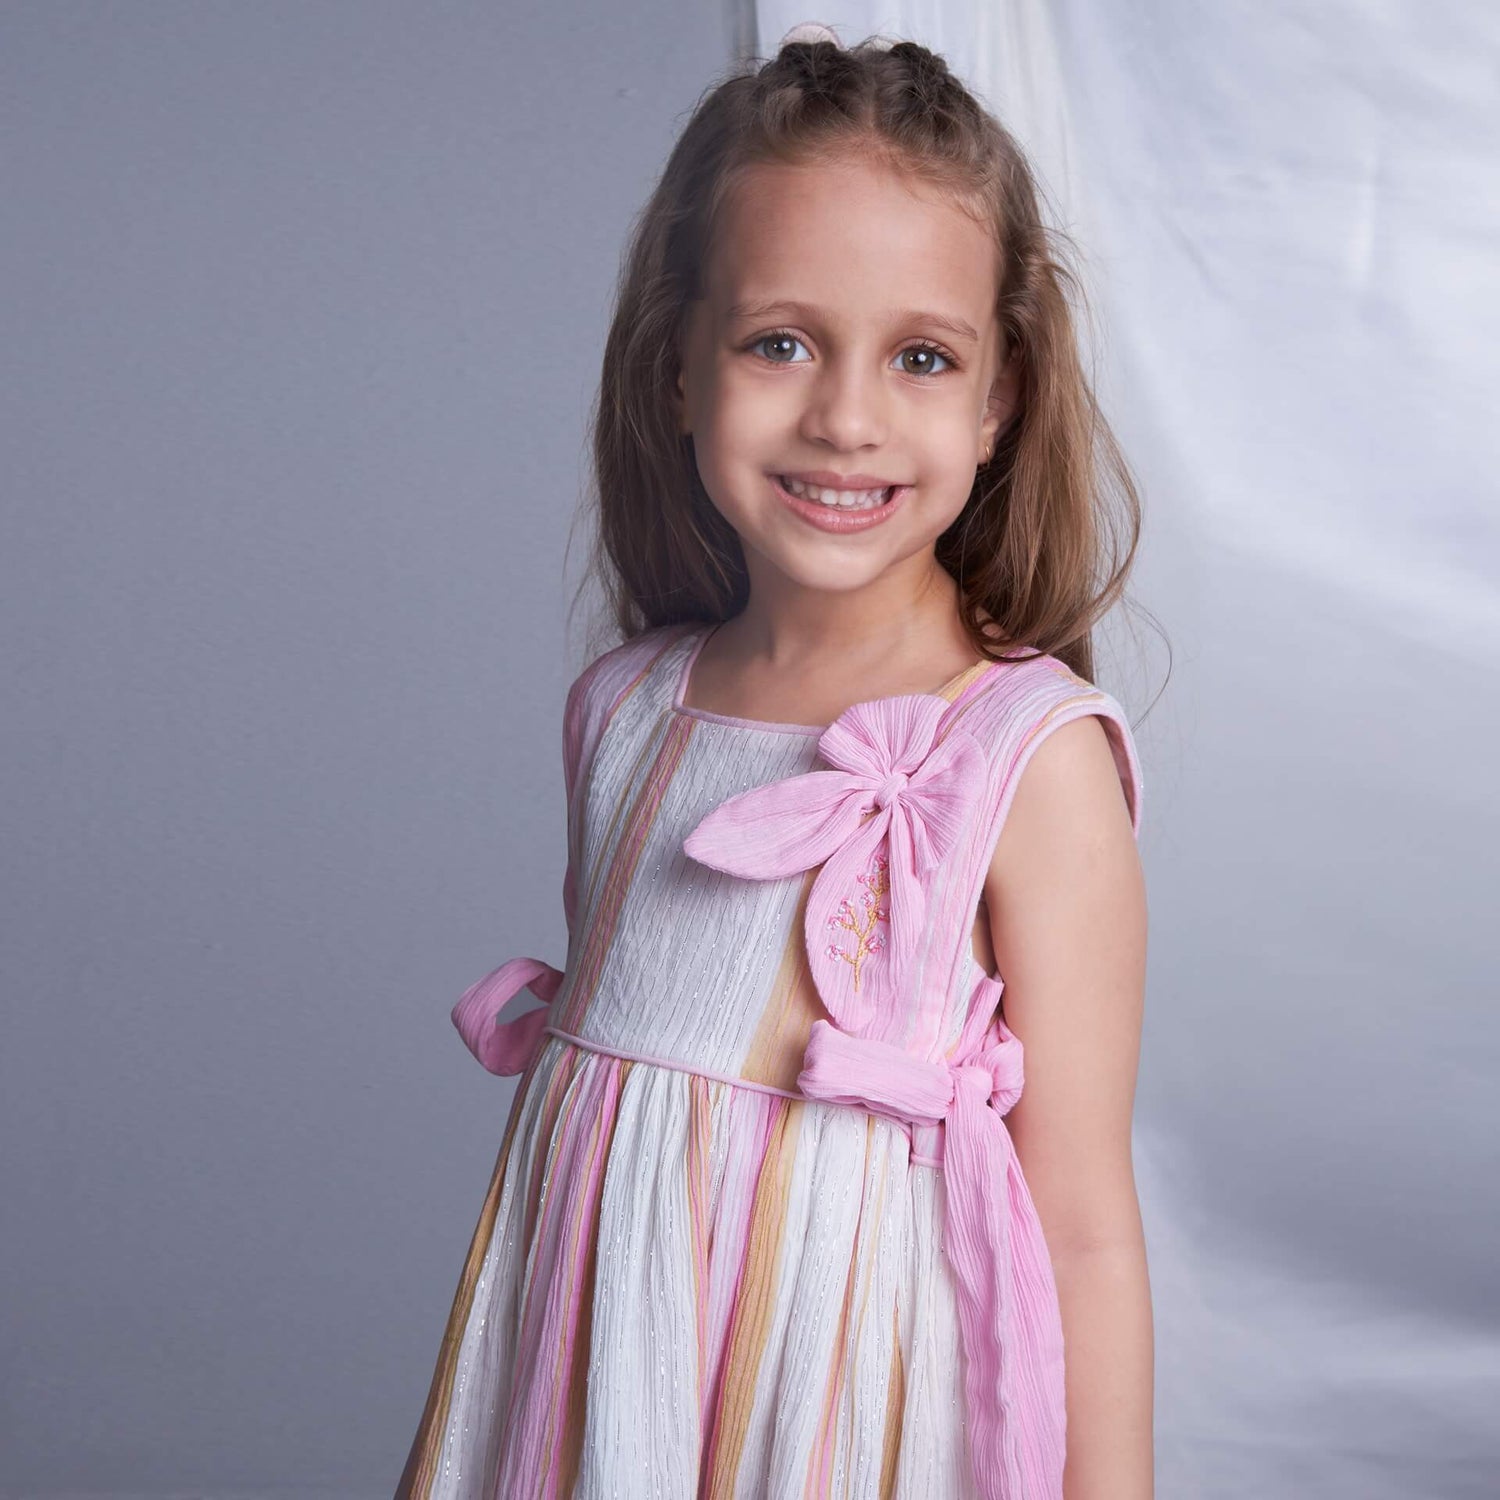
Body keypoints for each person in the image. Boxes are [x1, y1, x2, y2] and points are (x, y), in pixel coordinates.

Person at [397, 22, 1153, 1500]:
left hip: (848, 1418)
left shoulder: (1023, 756)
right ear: (680, 367)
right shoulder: (627, 713)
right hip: (607, 1404)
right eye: (779, 342)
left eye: (921, 357)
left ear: (999, 398)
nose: (845, 417)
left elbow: (1081, 1224)